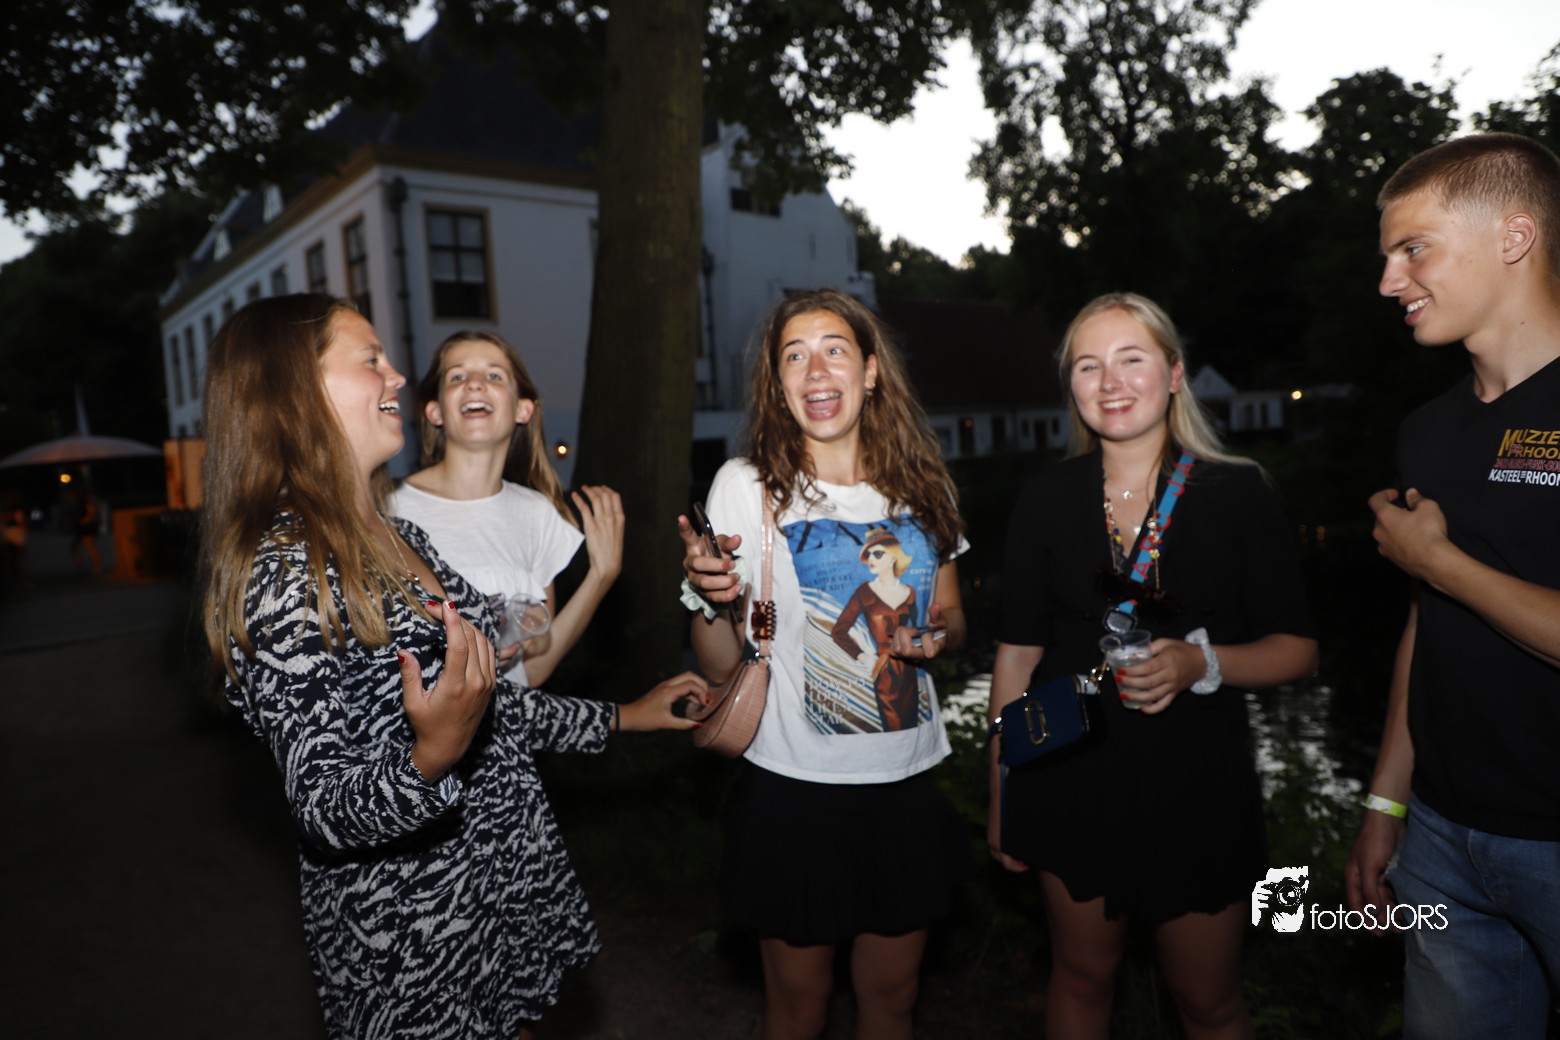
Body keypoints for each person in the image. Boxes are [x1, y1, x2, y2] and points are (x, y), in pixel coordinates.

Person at [199, 293, 706, 1040]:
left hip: (496, 882)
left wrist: (627, 716)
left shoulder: (398, 539)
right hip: (417, 933)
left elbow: (487, 704)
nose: (398, 376)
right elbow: (326, 809)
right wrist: (431, 756)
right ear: (296, 388)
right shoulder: (284, 569)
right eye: (371, 359)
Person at [986, 292, 1317, 1040]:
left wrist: (1203, 662)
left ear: (1173, 373)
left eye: (1130, 359)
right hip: (1066, 774)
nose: (1109, 382)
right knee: (1080, 979)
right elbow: (1018, 653)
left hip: (1194, 781)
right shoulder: (1044, 497)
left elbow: (1297, 649)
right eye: (1088, 366)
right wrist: (1002, 786)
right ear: (1070, 386)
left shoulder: (1236, 492)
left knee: (1208, 1003)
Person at [679, 288, 969, 1039]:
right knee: (799, 1008)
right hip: (794, 791)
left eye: (834, 349)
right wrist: (710, 600)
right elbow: (721, 666)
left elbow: (953, 615)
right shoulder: (747, 487)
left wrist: (935, 637)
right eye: (794, 356)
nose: (816, 369)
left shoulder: (925, 483)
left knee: (893, 1000)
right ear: (779, 384)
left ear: (870, 371)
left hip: (907, 781)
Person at [1344, 133, 1560, 1040]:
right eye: (1388, 256)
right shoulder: (1425, 432)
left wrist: (1440, 563)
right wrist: (1386, 803)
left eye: (1414, 249)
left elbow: (1438, 578)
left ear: (1514, 237)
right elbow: (1424, 625)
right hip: (1440, 835)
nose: (1389, 281)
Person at [389, 330, 621, 688]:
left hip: (510, 722)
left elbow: (534, 671)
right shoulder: (389, 508)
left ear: (522, 409)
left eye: (494, 375)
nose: (475, 384)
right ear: (434, 411)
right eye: (457, 377)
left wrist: (601, 576)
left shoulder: (537, 514)